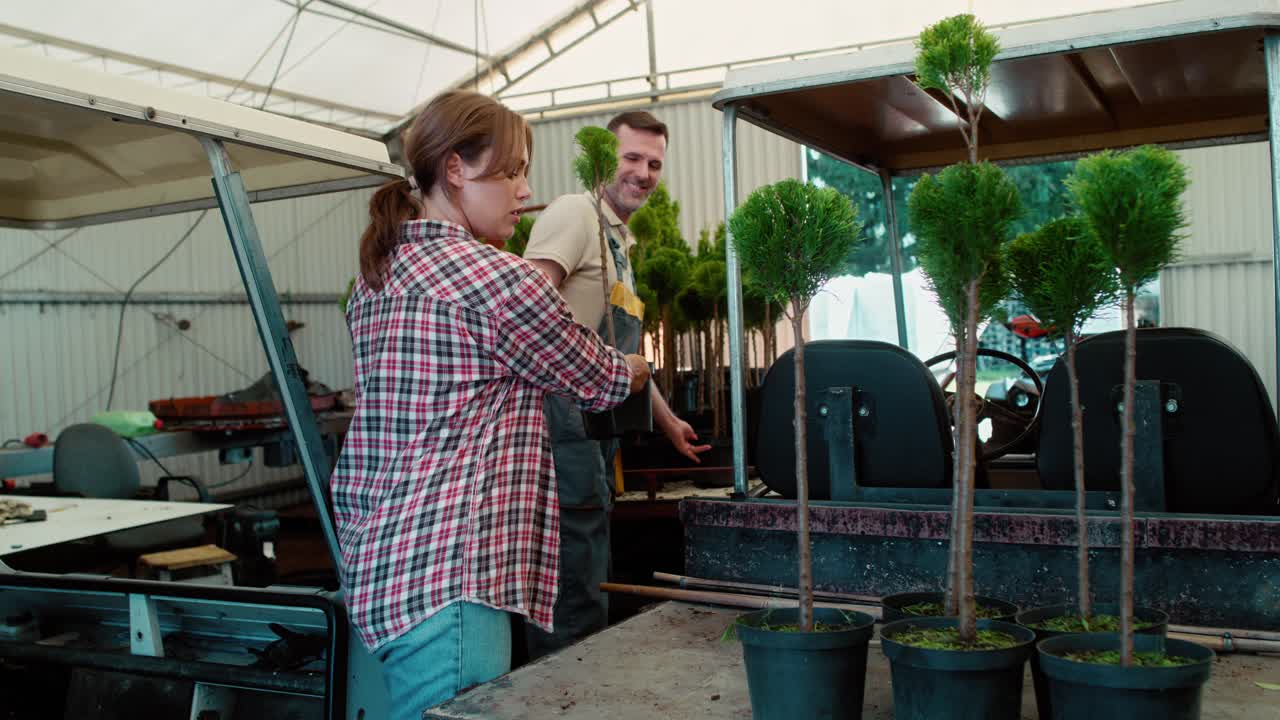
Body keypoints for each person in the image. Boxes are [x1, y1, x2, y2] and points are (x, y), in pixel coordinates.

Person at [332, 90, 651, 720]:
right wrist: (636, 370)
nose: (525, 191)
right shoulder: (497, 280)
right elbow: (594, 378)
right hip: (452, 579)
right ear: (456, 169)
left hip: (380, 561)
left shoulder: (380, 274)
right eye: (512, 171)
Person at [521, 111, 710, 658]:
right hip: (560, 423)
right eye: (632, 158)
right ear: (603, 158)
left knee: (590, 553)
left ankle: (581, 670)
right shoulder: (574, 214)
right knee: (571, 565)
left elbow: (625, 356)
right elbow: (528, 309)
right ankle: (558, 682)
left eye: (654, 164)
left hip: (595, 427)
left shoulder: (620, 241)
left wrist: (667, 418)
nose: (644, 173)